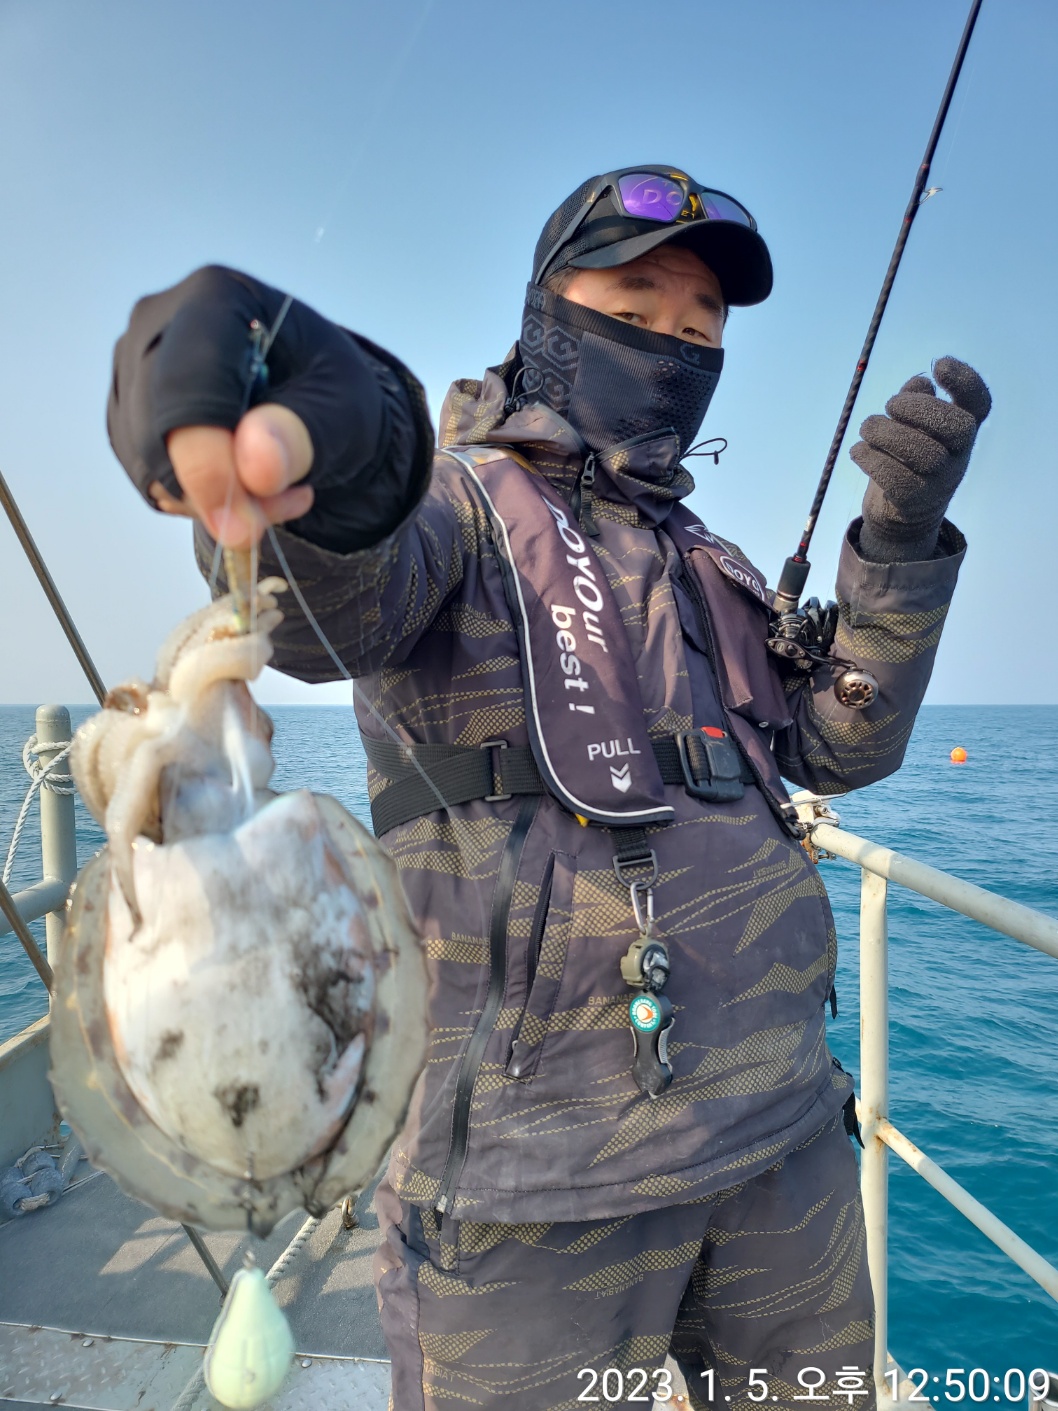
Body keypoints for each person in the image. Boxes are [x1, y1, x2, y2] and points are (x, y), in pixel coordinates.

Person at [107, 166, 991, 1411]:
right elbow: (330, 603)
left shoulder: (706, 557)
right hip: (529, 1188)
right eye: (634, 307)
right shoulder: (454, 507)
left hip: (781, 1141)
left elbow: (837, 747)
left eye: (699, 328)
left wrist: (894, 551)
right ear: (545, 319)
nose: (673, 346)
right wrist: (334, 447)